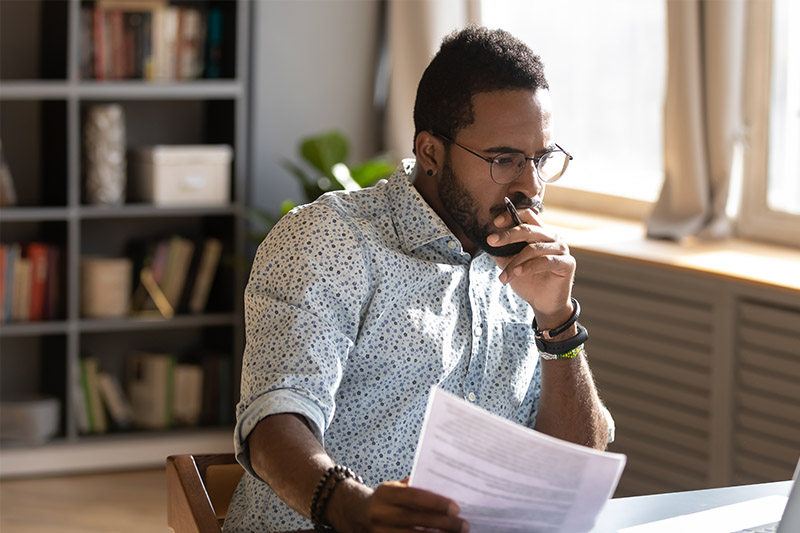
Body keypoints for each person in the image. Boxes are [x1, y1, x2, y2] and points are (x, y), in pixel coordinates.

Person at [224, 25, 613, 533]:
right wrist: (350, 508)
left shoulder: (528, 264)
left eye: (540, 159)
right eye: (503, 160)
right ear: (430, 152)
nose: (530, 187)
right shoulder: (330, 240)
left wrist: (557, 321)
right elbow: (275, 417)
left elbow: (573, 468)